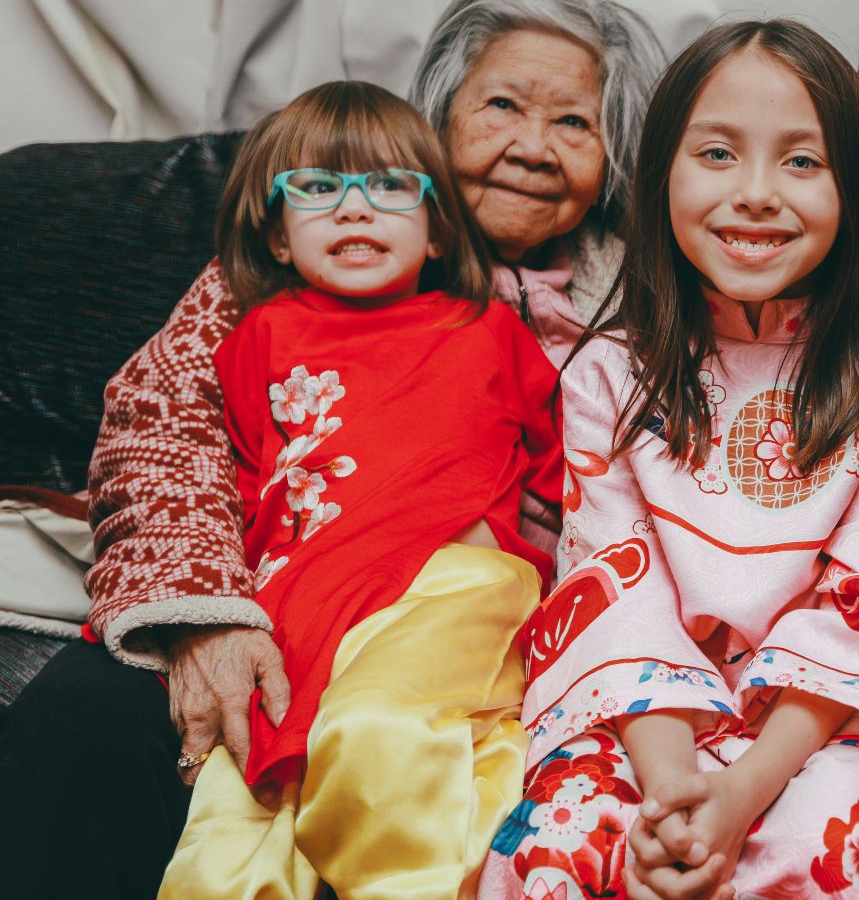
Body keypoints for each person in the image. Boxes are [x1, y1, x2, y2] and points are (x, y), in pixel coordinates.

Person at [0, 0, 662, 899]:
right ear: (439, 120)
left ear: (616, 161)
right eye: (502, 105)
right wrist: (205, 616)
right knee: (88, 724)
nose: (531, 148)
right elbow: (161, 426)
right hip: (276, 592)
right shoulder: (302, 257)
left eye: (574, 124)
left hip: (487, 633)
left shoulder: (646, 304)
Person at [480, 20, 859, 900]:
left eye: (802, 163)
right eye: (719, 155)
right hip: (640, 719)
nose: (758, 195)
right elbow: (616, 585)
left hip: (810, 723)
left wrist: (738, 796)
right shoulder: (607, 376)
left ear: (855, 191)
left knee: (824, 854)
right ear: (660, 176)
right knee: (562, 849)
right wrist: (671, 794)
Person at [154, 81, 560, 897]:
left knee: (374, 738)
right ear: (275, 234)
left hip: (448, 585)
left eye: (387, 186)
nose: (353, 210)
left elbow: (573, 478)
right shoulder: (253, 338)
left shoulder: (489, 328)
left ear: (439, 226)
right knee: (224, 842)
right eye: (316, 188)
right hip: (295, 613)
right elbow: (225, 485)